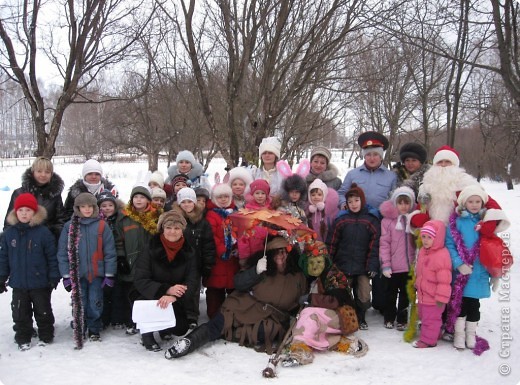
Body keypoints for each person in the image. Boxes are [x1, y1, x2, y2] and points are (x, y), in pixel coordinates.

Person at [164, 237, 307, 359]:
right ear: (269, 254)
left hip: (270, 317)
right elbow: (238, 283)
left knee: (266, 334)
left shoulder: (298, 276)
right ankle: (187, 343)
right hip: (242, 304)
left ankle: (225, 333)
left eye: (284, 252)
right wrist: (255, 271)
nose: (281, 256)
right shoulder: (261, 267)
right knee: (217, 324)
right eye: (276, 252)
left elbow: (299, 303)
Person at [281, 241, 368, 367]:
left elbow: (336, 301)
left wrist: (311, 298)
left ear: (325, 261)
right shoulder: (313, 277)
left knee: (309, 314)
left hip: (343, 316)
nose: (315, 266)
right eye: (311, 263)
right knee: (303, 319)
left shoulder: (333, 276)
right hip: (328, 316)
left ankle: (300, 350)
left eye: (319, 262)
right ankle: (338, 341)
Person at [444, 185, 509, 351]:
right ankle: (459, 334)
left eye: (477, 201)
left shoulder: (486, 223)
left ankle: (470, 333)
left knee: (474, 305)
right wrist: (458, 263)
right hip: (462, 272)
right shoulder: (457, 222)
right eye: (470, 201)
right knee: (460, 305)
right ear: (464, 203)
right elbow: (450, 245)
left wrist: (495, 274)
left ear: (482, 203)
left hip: (479, 271)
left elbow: (494, 248)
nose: (474, 204)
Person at [0, 193, 60, 350]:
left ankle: (46, 335)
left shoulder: (43, 233)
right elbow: (4, 258)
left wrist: (54, 276)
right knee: (20, 313)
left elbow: (52, 257)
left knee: (43, 311)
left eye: (28, 210)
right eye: (21, 210)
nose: (24, 213)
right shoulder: (9, 234)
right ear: (15, 212)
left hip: (40, 283)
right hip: (18, 284)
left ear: (35, 212)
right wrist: (1, 277)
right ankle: (23, 337)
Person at [133, 211, 199, 351]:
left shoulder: (189, 251)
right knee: (147, 303)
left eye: (176, 228)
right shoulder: (150, 247)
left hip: (174, 297)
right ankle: (147, 333)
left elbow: (192, 281)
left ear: (182, 230)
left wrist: (174, 296)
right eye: (168, 227)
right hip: (150, 295)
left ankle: (164, 327)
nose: (172, 232)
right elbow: (141, 279)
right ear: (162, 228)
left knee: (180, 328)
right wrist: (166, 289)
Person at [57, 193, 117, 347]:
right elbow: (63, 253)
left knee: (95, 302)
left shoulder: (102, 226)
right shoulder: (69, 227)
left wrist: (109, 274)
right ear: (77, 208)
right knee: (79, 301)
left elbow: (110, 251)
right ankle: (80, 325)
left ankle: (94, 328)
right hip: (77, 274)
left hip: (96, 273)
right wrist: (66, 275)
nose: (87, 209)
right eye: (83, 207)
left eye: (90, 206)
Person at [327, 184, 380, 330]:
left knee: (363, 295)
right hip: (343, 264)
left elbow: (374, 246)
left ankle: (361, 315)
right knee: (343, 293)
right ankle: (347, 316)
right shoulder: (341, 220)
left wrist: (372, 266)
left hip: (363, 267)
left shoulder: (371, 220)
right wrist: (329, 263)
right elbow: (332, 242)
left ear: (362, 200)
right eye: (350, 202)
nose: (353, 204)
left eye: (356, 201)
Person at [411, 145, 502, 227]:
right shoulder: (427, 183)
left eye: (447, 162)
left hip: (459, 233)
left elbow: (485, 200)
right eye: (440, 162)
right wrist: (416, 218)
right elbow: (422, 207)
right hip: (433, 233)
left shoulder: (465, 181)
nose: (443, 165)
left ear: (454, 164)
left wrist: (493, 218)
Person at [114, 182, 161, 335]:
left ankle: (150, 320)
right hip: (130, 262)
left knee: (148, 292)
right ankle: (132, 321)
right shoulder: (124, 218)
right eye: (136, 197)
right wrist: (121, 258)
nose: (139, 200)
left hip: (151, 263)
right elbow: (118, 239)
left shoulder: (156, 216)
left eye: (142, 197)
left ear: (148, 200)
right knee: (131, 294)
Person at [172, 187, 216, 327]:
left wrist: (207, 264)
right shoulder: (174, 220)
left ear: (194, 203)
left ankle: (192, 315)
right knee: (177, 288)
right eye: (183, 202)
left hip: (195, 262)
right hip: (177, 262)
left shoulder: (202, 222)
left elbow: (208, 244)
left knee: (193, 289)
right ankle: (178, 315)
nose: (186, 205)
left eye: (189, 201)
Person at [4, 156, 67, 242]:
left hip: (46, 243)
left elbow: (61, 220)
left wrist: (50, 236)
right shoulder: (19, 193)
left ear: (51, 174)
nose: (43, 175)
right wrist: (10, 240)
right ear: (33, 172)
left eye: (47, 172)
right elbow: (10, 221)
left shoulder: (55, 195)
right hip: (22, 241)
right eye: (39, 171)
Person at [379, 186, 416, 330]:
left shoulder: (413, 220)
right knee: (390, 294)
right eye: (400, 203)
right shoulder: (387, 222)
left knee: (406, 294)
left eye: (407, 203)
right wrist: (386, 265)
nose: (404, 206)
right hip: (393, 266)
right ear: (395, 204)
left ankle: (402, 319)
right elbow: (384, 244)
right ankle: (389, 317)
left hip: (409, 266)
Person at [412, 220, 452, 348]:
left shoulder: (441, 255)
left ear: (438, 238)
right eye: (423, 237)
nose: (425, 240)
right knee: (425, 317)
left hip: (435, 298)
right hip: (424, 294)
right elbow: (421, 272)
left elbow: (444, 280)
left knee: (430, 320)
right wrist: (417, 283)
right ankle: (435, 333)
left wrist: (441, 298)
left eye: (429, 237)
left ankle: (428, 341)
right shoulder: (424, 251)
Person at [337, 131, 397, 212]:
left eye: (375, 154)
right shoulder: (352, 174)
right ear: (364, 156)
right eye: (368, 155)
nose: (372, 158)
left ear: (381, 156)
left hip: (381, 220)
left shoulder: (391, 176)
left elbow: (395, 198)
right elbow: (341, 193)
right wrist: (344, 204)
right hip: (356, 219)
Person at [203, 183, 239, 318]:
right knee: (215, 289)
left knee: (232, 287)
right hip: (218, 259)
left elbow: (240, 231)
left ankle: (230, 314)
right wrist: (223, 251)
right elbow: (212, 236)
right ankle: (214, 315)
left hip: (233, 259)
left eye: (226, 196)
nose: (223, 199)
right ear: (214, 199)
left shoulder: (235, 213)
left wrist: (237, 248)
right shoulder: (212, 215)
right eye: (220, 197)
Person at [237, 179, 271, 268]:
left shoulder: (271, 210)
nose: (260, 196)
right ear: (253, 194)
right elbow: (242, 236)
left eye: (263, 193)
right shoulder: (247, 211)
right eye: (257, 193)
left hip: (267, 249)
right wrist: (244, 257)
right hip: (252, 251)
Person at [275, 159, 309, 225]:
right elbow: (278, 226)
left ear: (301, 193)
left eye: (297, 192)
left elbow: (305, 227)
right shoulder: (281, 209)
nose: (294, 195)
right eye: (291, 192)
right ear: (287, 192)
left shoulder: (301, 210)